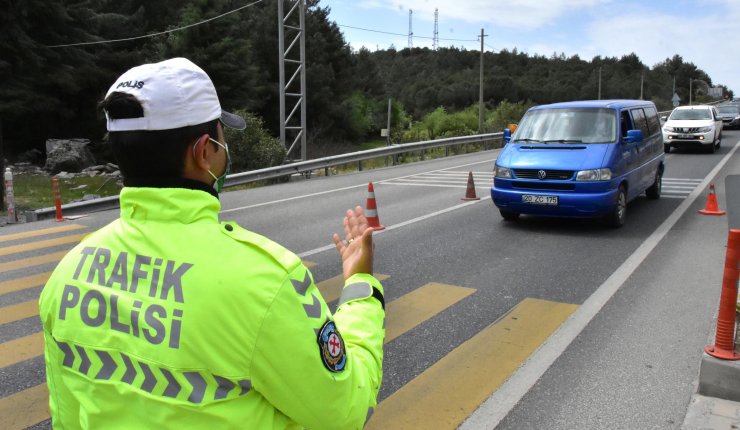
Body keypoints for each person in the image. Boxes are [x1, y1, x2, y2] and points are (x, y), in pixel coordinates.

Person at [39, 58, 385, 429]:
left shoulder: (66, 276)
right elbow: (342, 409)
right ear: (204, 151)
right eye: (222, 137)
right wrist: (361, 288)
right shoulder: (264, 280)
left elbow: (66, 417)